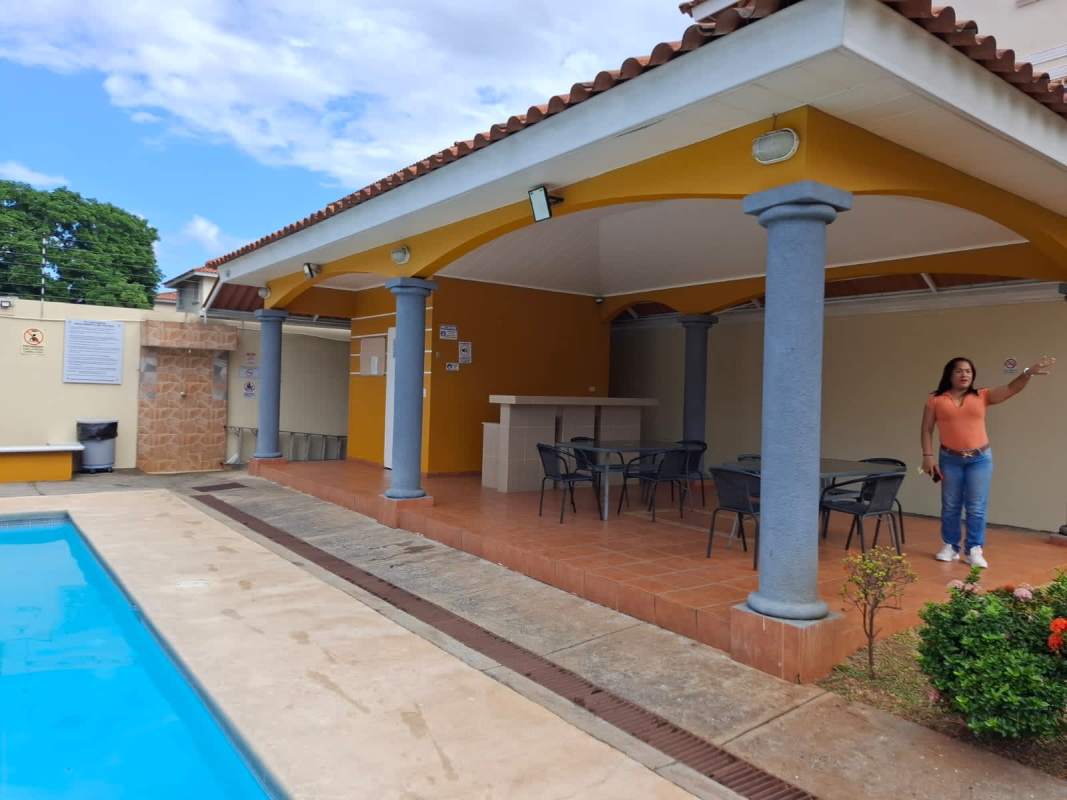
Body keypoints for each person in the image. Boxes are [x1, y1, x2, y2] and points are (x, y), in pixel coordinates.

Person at [920, 355, 1056, 568]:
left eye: (968, 371)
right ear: (949, 374)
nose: (964, 374)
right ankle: (950, 546)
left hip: (979, 459)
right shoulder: (936, 399)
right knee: (950, 505)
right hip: (949, 459)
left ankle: (974, 549)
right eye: (959, 371)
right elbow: (927, 429)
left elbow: (1012, 388)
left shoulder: (982, 395)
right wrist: (927, 457)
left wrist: (1027, 372)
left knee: (976, 507)